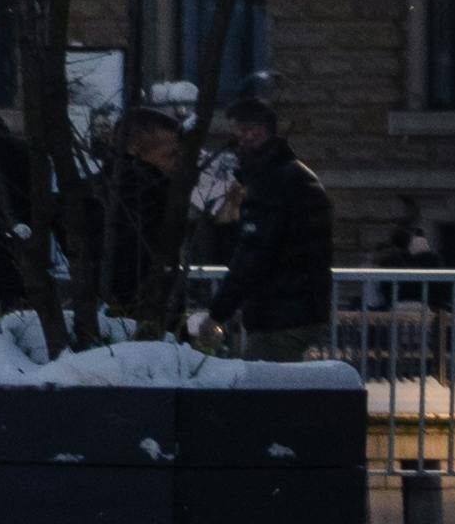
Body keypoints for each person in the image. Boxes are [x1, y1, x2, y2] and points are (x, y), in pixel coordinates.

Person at [204, 93, 334, 359]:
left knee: (265, 390)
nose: (237, 143)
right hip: (300, 310)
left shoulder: (270, 184)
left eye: (241, 134)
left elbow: (253, 254)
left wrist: (218, 312)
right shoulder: (294, 176)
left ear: (255, 132)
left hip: (279, 314)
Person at [98, 103, 196, 335]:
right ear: (136, 151)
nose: (176, 163)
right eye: (170, 155)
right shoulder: (145, 196)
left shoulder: (109, 191)